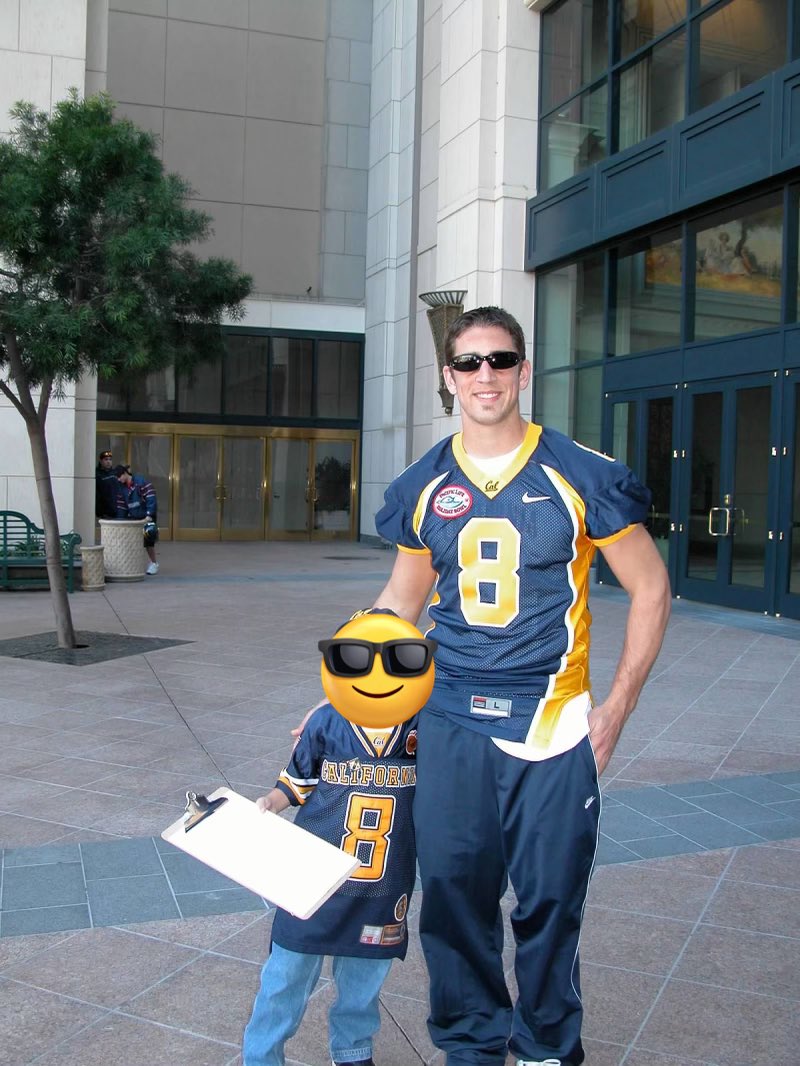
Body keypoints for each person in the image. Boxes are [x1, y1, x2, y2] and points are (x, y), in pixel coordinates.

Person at [368, 305, 672, 1066]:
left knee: (548, 905)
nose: (485, 377)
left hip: (553, 721)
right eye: (469, 364)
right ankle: (472, 1046)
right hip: (449, 718)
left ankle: (544, 1048)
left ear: (524, 370)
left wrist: (620, 704)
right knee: (454, 899)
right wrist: (344, 687)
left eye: (500, 361)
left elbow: (652, 585)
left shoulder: (579, 471)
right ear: (448, 377)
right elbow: (401, 602)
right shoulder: (423, 483)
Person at [243, 613, 418, 1066]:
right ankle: (262, 1056)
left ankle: (353, 1052)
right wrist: (270, 802)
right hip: (312, 878)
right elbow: (295, 784)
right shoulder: (327, 723)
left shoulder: (425, 726)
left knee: (363, 985)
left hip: (382, 885)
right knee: (284, 976)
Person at [113, 464, 160, 574]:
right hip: (133, 517)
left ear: (124, 474)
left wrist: (149, 515)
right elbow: (121, 506)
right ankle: (132, 564)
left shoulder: (141, 482)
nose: (119, 480)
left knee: (148, 539)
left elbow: (151, 498)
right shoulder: (121, 488)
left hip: (146, 517)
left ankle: (154, 563)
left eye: (119, 477)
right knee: (131, 541)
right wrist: (121, 520)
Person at [95, 450, 118, 519]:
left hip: (117, 510)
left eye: (110, 460)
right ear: (101, 461)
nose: (108, 462)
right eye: (106, 459)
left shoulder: (115, 473)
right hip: (105, 512)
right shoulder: (97, 475)